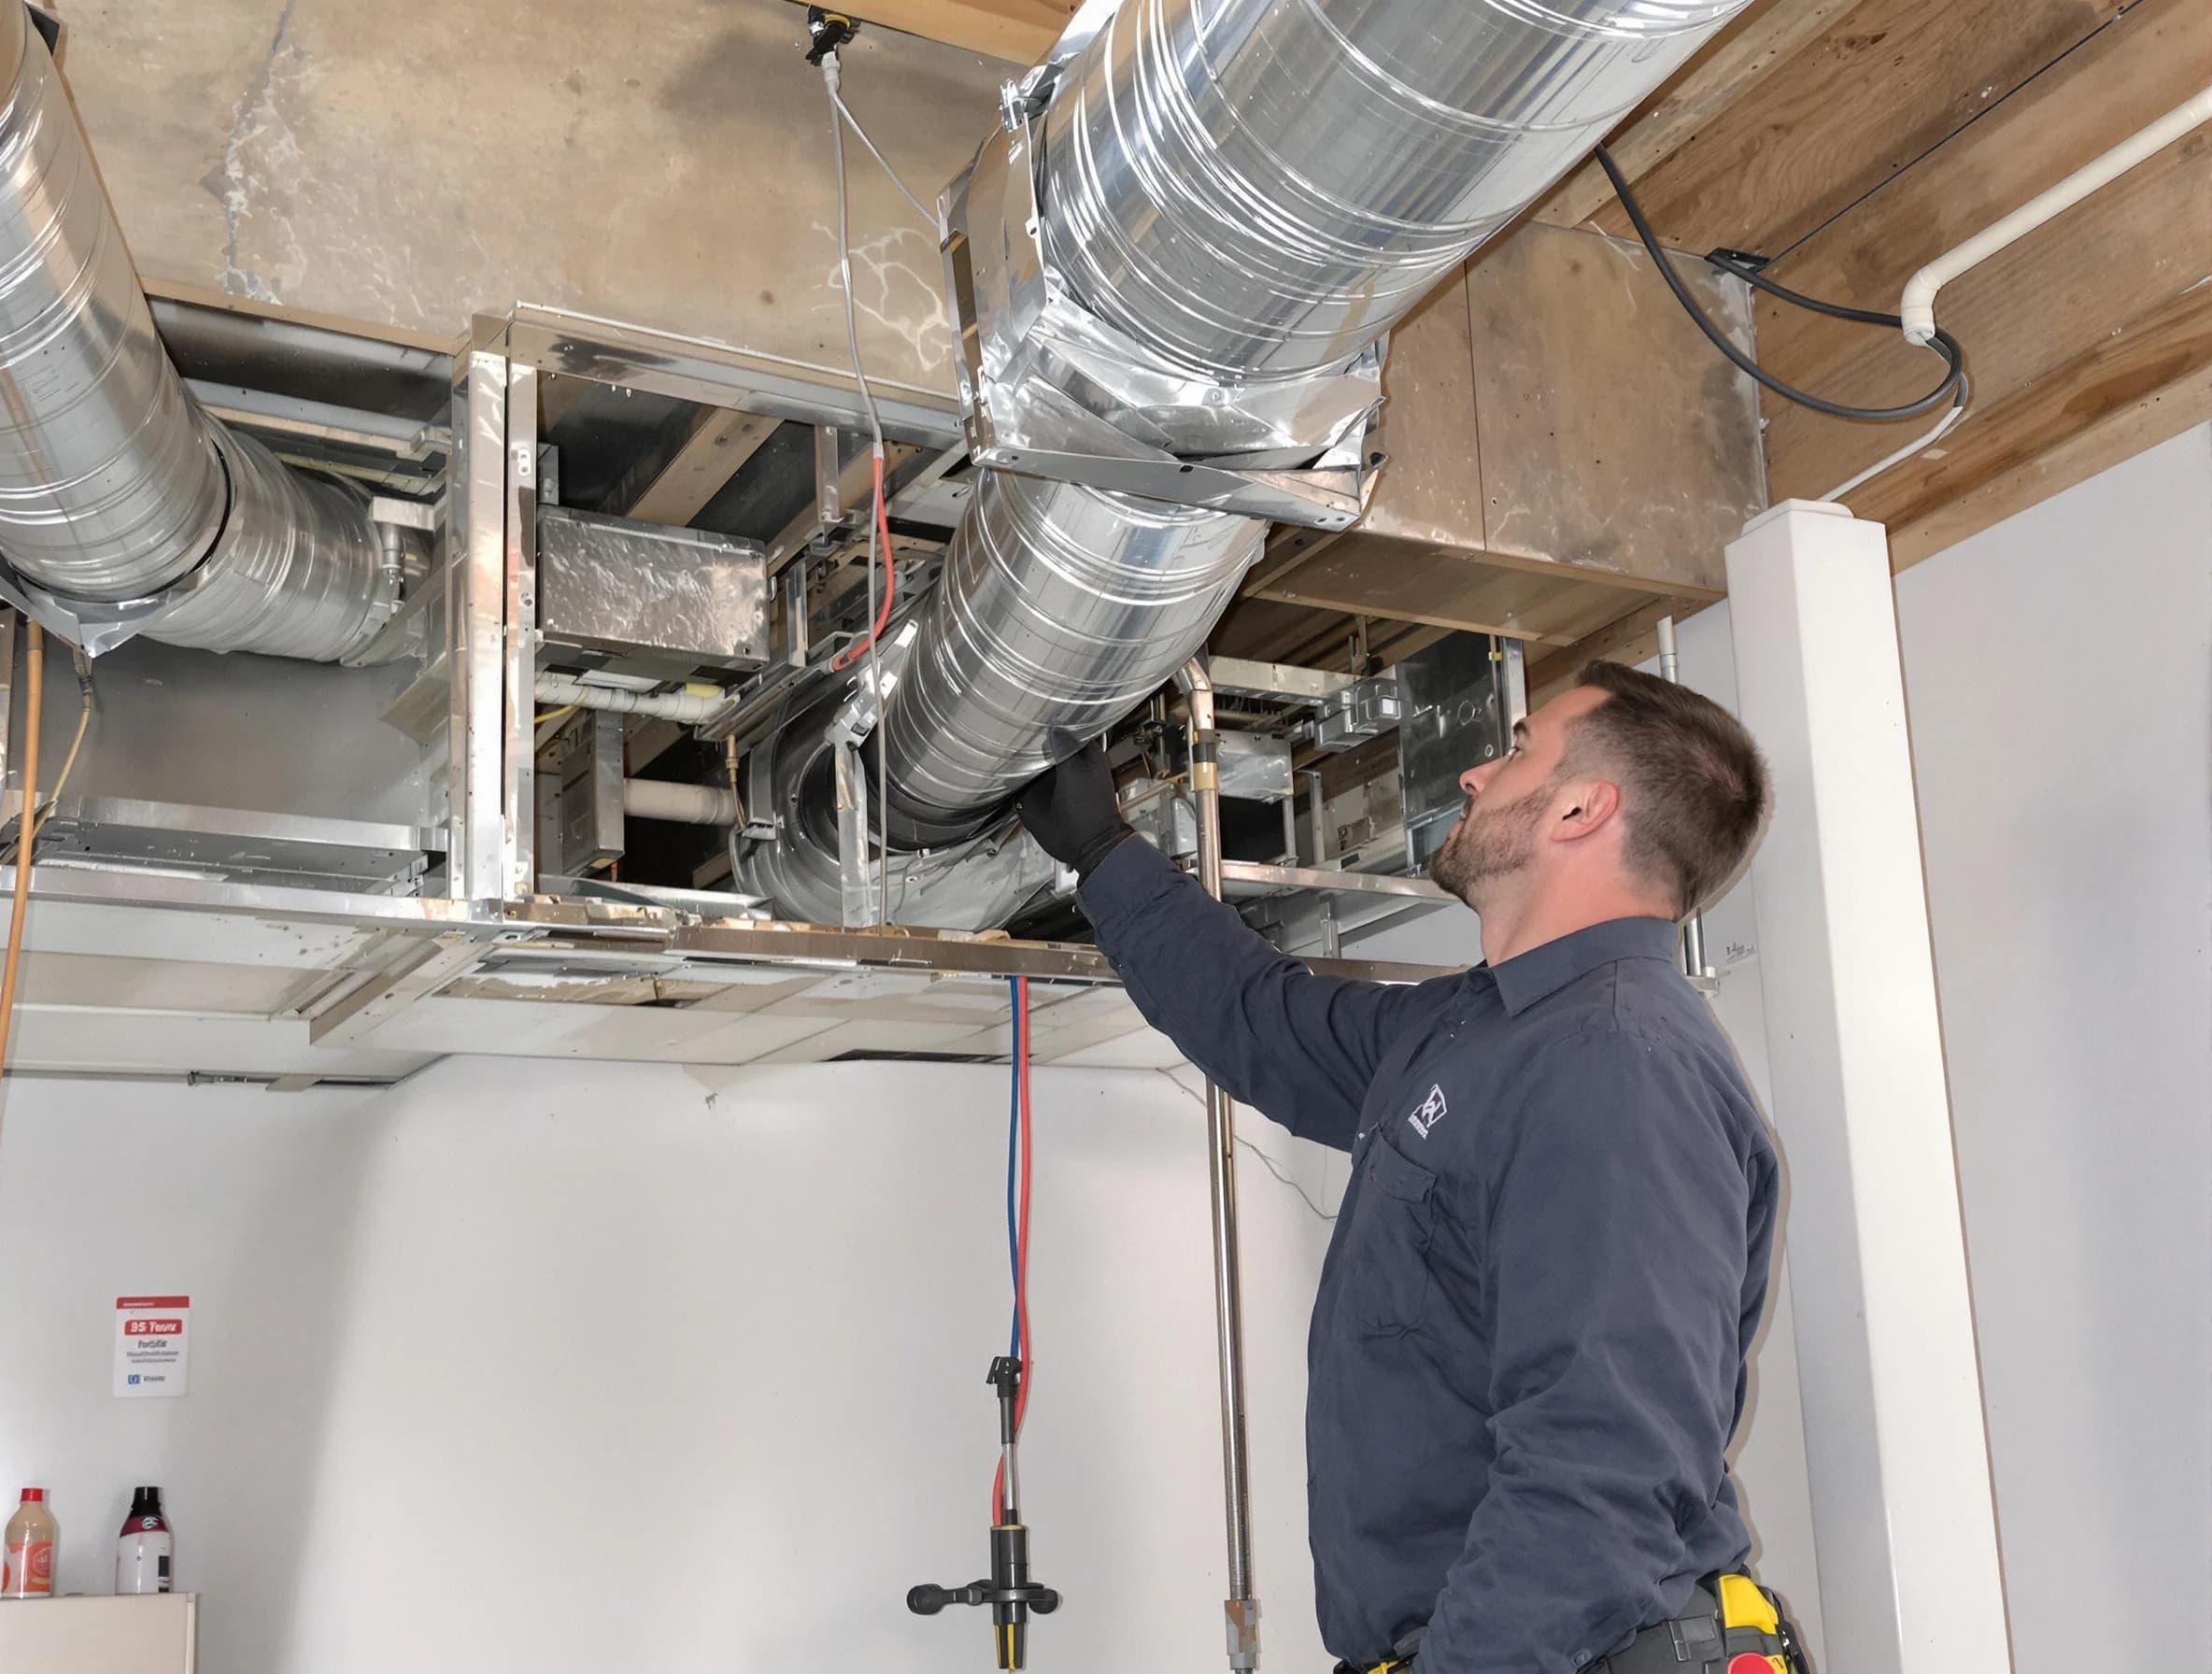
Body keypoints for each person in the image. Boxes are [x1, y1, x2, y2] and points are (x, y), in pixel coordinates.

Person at [1017, 660, 1785, 1674]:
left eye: (1517, 751)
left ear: (1581, 809)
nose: (1475, 774)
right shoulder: (1483, 1032)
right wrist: (1099, 850)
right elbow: (1266, 1025)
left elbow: (1602, 1468)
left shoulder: (1616, 1067)